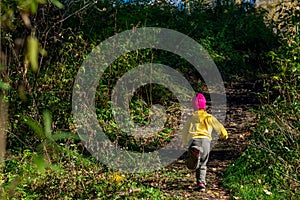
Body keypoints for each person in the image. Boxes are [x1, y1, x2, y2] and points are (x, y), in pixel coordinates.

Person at [181, 93, 228, 192]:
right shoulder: (209, 117)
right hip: (206, 141)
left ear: (193, 106)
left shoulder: (191, 118)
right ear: (204, 106)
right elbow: (219, 127)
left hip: (193, 140)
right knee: (203, 164)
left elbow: (184, 131)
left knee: (191, 164)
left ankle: (195, 154)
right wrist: (225, 135)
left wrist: (184, 142)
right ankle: (201, 183)